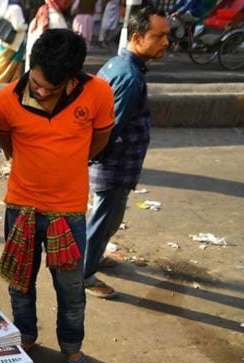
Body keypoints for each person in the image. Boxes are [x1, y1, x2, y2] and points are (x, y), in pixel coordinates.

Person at [0, 29, 114, 363]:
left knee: (71, 290)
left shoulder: (98, 92)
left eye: (52, 88)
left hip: (68, 212)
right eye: (37, 84)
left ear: (72, 79)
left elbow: (100, 138)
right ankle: (26, 335)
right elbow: (5, 139)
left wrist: (71, 163)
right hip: (21, 208)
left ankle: (72, 348)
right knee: (20, 284)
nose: (42, 92)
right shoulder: (6, 99)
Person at [84, 7, 170, 298]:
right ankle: (83, 273)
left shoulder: (117, 64)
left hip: (114, 163)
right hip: (113, 165)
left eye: (166, 36)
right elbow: (109, 128)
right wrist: (91, 157)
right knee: (104, 220)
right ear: (136, 37)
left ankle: (92, 258)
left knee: (108, 217)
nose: (165, 42)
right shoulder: (130, 77)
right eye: (158, 36)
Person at [26, 0, 71, 71]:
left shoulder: (36, 19)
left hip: (34, 71)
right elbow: (63, 50)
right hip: (49, 72)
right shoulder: (57, 19)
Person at [0, 0, 27, 84]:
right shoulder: (16, 8)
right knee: (7, 69)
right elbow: (18, 26)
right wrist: (27, 26)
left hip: (4, 41)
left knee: (0, 65)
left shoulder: (5, 7)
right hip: (14, 43)